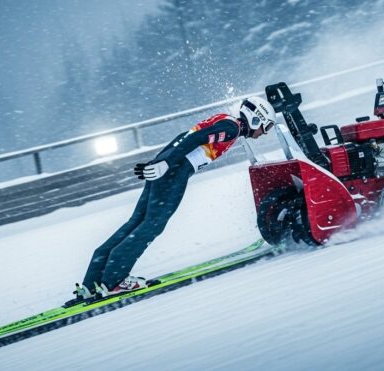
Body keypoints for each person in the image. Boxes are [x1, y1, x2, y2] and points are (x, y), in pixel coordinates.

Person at [70, 97, 276, 304]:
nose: (263, 133)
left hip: (168, 166)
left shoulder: (226, 120)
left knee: (138, 221)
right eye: (265, 127)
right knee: (153, 225)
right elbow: (194, 140)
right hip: (175, 170)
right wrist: (166, 163)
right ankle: (114, 280)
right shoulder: (231, 128)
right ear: (256, 119)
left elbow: (184, 136)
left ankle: (92, 282)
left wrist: (160, 161)